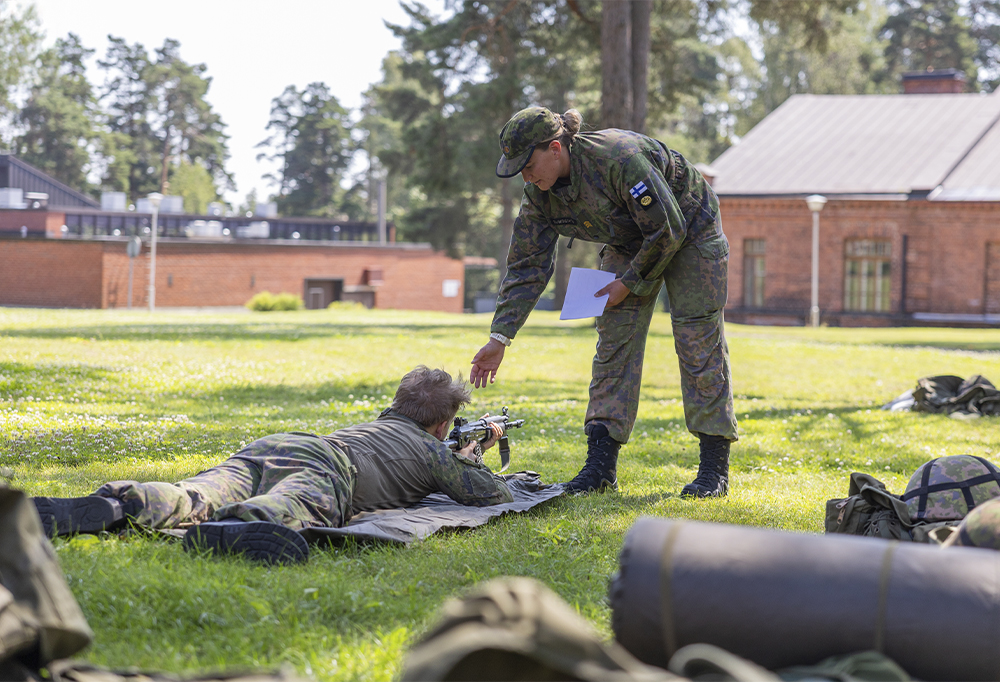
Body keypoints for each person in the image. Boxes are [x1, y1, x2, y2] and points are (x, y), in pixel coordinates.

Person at [470, 107, 737, 497]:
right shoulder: (539, 196)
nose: (525, 176)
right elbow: (526, 266)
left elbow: (668, 229)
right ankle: (600, 469)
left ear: (556, 148)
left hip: (690, 230)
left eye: (527, 165)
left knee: (698, 342)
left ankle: (714, 470)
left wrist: (627, 284)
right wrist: (499, 338)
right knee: (614, 345)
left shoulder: (619, 158)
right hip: (631, 243)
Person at [33, 366, 513, 564]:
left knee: (199, 492)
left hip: (282, 443)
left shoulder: (378, 426)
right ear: (441, 425)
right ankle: (244, 527)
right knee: (292, 505)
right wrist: (472, 457)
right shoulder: (433, 452)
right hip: (330, 468)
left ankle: (121, 504)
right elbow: (494, 495)